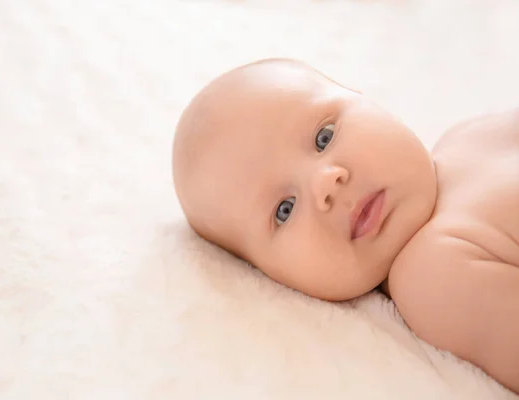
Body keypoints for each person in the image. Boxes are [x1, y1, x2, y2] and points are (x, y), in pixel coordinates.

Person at [172, 58, 519, 393]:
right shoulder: (431, 275)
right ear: (271, 278)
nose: (326, 183)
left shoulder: (467, 135)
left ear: (364, 97)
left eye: (324, 137)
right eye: (285, 210)